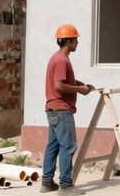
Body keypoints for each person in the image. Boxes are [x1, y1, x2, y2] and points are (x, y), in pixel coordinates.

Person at [40, 24, 94, 194]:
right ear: (68, 42)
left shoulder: (57, 58)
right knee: (68, 147)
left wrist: (79, 84)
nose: (77, 43)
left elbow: (62, 81)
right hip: (61, 109)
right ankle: (65, 186)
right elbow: (59, 86)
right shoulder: (62, 60)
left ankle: (47, 182)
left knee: (53, 146)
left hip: (53, 108)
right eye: (76, 40)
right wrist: (80, 90)